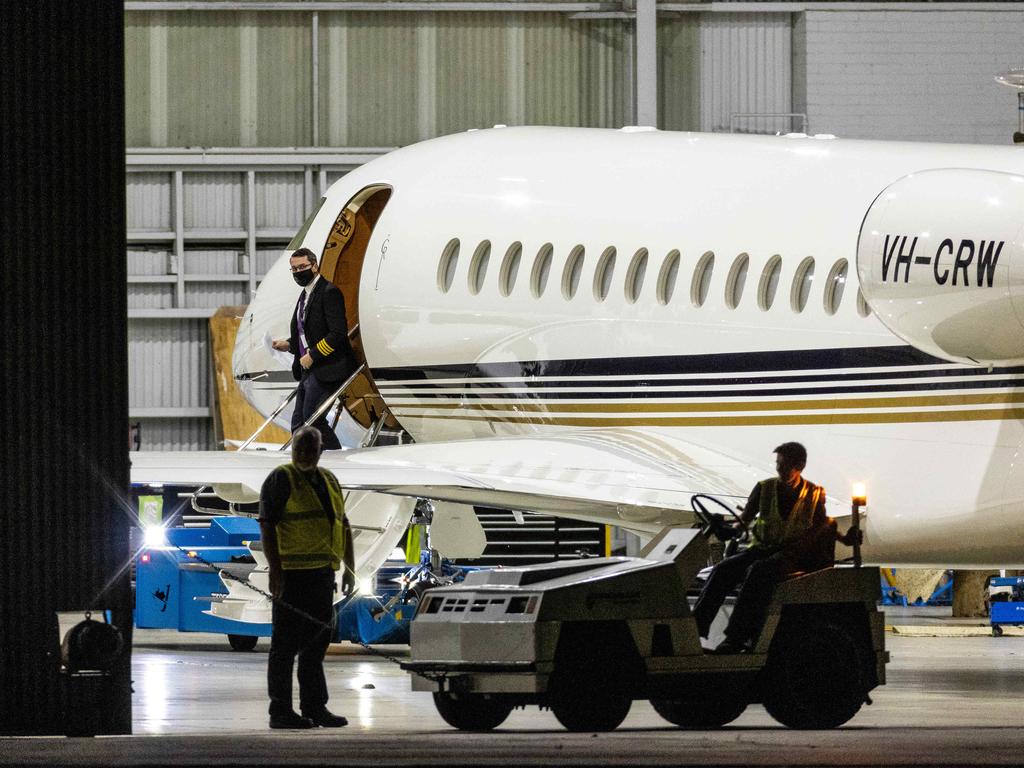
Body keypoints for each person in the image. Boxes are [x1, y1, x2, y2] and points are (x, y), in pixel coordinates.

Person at [692, 441, 855, 654]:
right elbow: (744, 520)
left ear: (801, 466)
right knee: (723, 570)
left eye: (786, 465)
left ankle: (736, 637)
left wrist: (845, 540)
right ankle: (695, 628)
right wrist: (727, 529)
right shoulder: (764, 488)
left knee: (758, 572)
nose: (781, 470)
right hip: (762, 549)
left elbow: (824, 526)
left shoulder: (815, 494)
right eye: (778, 465)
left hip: (794, 555)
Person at [259, 426, 356, 729]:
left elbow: (343, 524)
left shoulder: (329, 480)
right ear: (292, 449)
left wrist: (349, 567)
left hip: (322, 575)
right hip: (293, 576)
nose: (303, 455)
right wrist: (276, 571)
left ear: (319, 451)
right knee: (284, 647)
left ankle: (315, 707)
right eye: (299, 449)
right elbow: (267, 526)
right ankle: (280, 711)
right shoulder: (281, 479)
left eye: (309, 450)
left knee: (316, 646)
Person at [272, 247, 358, 451]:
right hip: (310, 371)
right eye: (293, 269)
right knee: (298, 425)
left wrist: (313, 355)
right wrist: (289, 344)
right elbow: (307, 334)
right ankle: (311, 465)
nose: (298, 272)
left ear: (315, 265)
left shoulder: (329, 292)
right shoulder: (305, 296)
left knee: (313, 420)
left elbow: (337, 334)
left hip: (329, 369)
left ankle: (339, 463)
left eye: (302, 267)